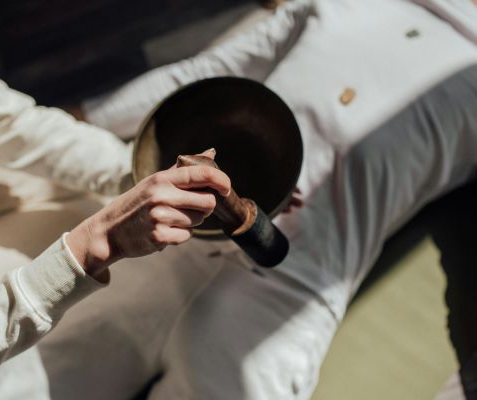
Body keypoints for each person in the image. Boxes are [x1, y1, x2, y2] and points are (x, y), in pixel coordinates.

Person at [34, 0, 477, 399]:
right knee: (37, 379)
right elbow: (205, 76)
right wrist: (63, 121)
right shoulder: (346, 5)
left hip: (292, 284)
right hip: (168, 235)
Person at [0, 0, 236, 397]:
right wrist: (101, 241)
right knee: (121, 286)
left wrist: (136, 172)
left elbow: (4, 123)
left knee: (102, 203)